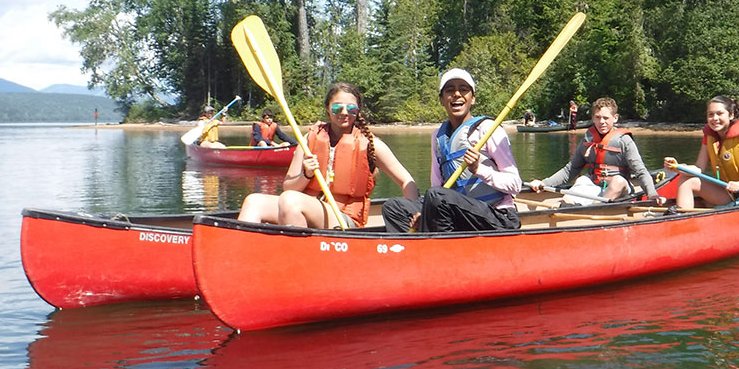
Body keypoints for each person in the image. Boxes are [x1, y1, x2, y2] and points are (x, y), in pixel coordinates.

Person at [237, 83, 420, 228]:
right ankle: (242, 259)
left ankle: (300, 261)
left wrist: (413, 215)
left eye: (351, 109)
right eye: (337, 108)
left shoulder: (371, 144)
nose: (344, 113)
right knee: (254, 201)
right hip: (304, 207)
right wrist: (306, 175)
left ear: (358, 111)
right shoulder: (310, 138)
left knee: (291, 201)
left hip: (345, 218)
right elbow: (288, 187)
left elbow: (407, 182)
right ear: (327, 109)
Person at [382, 68, 522, 233]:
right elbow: (437, 186)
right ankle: (416, 248)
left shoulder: (488, 129)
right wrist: (425, 212)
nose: (457, 94)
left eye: (463, 89)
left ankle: (438, 247)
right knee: (394, 207)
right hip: (457, 213)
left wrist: (479, 169)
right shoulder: (438, 137)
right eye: (450, 90)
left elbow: (515, 185)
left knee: (437, 196)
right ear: (442, 99)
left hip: (497, 215)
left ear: (473, 98)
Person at [529, 97, 665, 206]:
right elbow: (570, 170)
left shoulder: (624, 141)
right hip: (594, 183)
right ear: (593, 118)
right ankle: (566, 206)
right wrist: (544, 183)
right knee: (582, 179)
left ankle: (595, 208)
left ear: (615, 118)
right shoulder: (588, 139)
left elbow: (641, 172)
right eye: (598, 117)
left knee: (618, 180)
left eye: (606, 118)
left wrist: (652, 194)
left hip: (619, 187)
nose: (602, 122)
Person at [669, 96, 739, 211]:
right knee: (686, 180)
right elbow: (699, 169)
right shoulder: (709, 136)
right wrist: (678, 167)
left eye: (719, 113)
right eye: (710, 115)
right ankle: (683, 220)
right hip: (728, 193)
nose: (715, 118)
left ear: (731, 115)